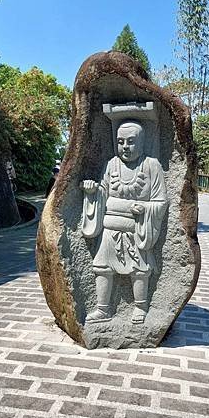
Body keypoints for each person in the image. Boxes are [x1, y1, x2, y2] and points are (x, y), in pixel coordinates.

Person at [81, 120, 168, 324]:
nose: (125, 147)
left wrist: (144, 208)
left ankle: (140, 307)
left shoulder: (151, 166)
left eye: (130, 141)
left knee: (140, 270)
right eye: (120, 142)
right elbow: (104, 193)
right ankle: (103, 309)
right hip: (110, 229)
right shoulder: (112, 164)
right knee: (102, 267)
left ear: (142, 143)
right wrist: (93, 192)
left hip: (137, 229)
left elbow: (161, 201)